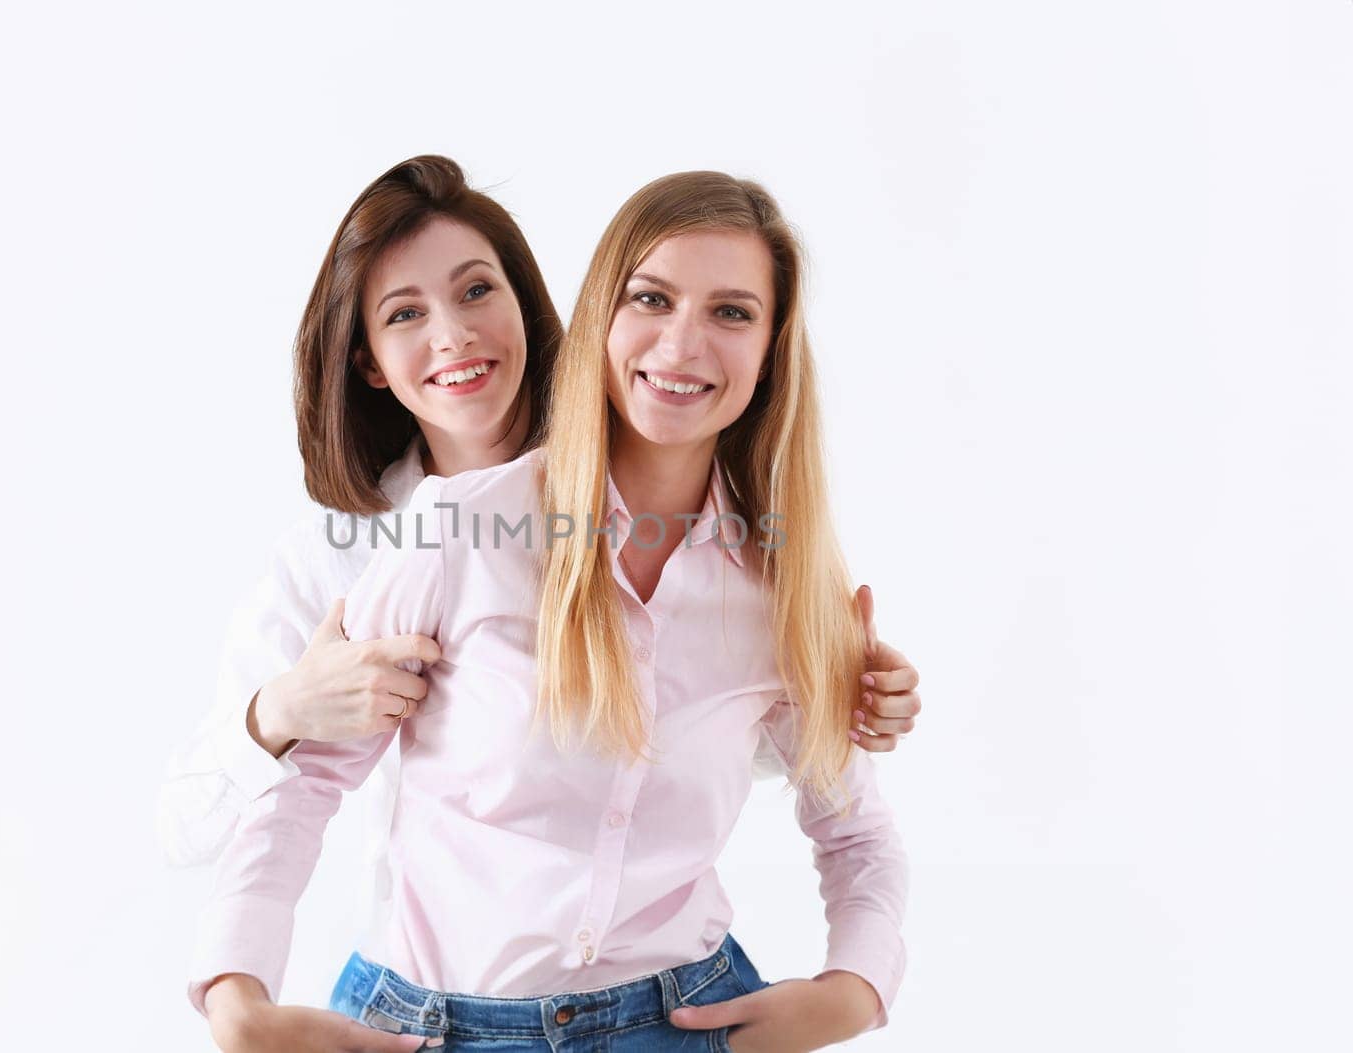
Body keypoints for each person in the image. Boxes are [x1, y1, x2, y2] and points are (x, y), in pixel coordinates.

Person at [193, 171, 911, 1053]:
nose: (684, 344)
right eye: (652, 298)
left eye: (732, 313)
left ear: (771, 350)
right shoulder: (458, 531)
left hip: (685, 1019)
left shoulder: (779, 586)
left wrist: (858, 985)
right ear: (600, 318)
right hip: (436, 1024)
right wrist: (235, 993)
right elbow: (304, 784)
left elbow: (857, 830)